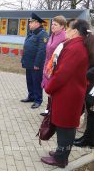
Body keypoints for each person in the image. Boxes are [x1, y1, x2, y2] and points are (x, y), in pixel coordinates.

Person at [41, 18, 94, 168]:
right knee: (66, 125)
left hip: (68, 93)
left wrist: (49, 88)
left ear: (75, 31)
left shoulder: (76, 48)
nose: (66, 31)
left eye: (68, 28)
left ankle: (60, 158)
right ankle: (61, 153)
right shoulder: (78, 45)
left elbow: (62, 74)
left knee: (65, 126)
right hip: (70, 91)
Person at [20, 12, 49, 109]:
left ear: (37, 23)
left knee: (37, 82)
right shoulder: (31, 33)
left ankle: (38, 100)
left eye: (31, 22)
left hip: (36, 64)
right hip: (28, 62)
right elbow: (26, 48)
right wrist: (22, 60)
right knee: (29, 81)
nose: (29, 24)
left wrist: (37, 64)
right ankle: (31, 96)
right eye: (30, 22)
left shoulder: (43, 34)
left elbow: (42, 51)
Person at [40, 16, 66, 116]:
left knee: (54, 88)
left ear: (62, 26)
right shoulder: (52, 35)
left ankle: (54, 111)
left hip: (56, 67)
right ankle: (48, 108)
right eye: (52, 24)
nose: (52, 26)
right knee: (48, 87)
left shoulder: (63, 37)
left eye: (55, 25)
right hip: (48, 66)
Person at [73, 66, 94, 148]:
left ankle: (89, 140)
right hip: (91, 87)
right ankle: (87, 137)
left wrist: (84, 75)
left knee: (92, 115)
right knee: (90, 113)